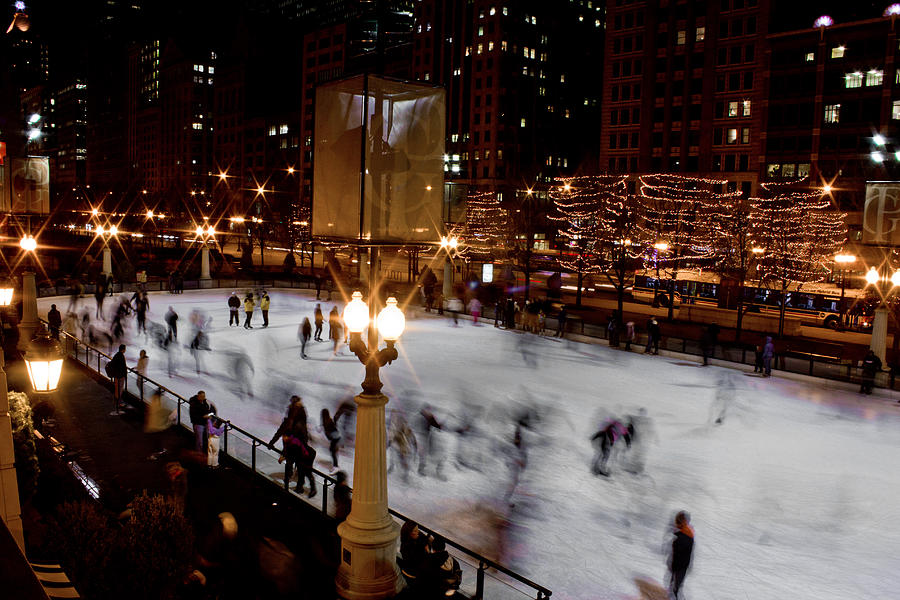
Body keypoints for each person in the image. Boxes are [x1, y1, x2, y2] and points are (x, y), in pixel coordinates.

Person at [668, 511, 695, 599]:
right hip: (682, 566)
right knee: (675, 587)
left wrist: (672, 566)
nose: (675, 524)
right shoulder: (687, 533)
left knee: (675, 589)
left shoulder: (682, 536)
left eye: (677, 522)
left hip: (679, 566)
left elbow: (679, 554)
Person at [107, 344, 128, 413]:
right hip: (120, 376)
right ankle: (118, 403)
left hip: (116, 375)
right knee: (120, 389)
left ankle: (116, 401)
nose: (125, 350)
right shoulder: (121, 356)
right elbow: (123, 367)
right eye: (125, 349)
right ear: (123, 349)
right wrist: (125, 375)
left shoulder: (116, 355)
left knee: (117, 388)